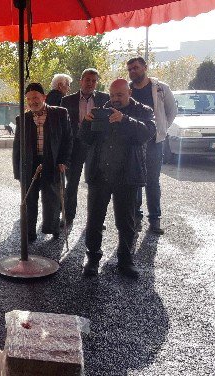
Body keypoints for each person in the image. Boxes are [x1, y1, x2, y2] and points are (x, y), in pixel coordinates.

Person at [79, 78, 156, 279]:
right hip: (100, 174)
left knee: (126, 222)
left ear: (129, 92)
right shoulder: (101, 110)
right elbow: (86, 139)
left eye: (120, 95)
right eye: (112, 95)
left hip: (127, 175)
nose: (115, 99)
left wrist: (124, 119)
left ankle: (125, 260)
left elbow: (146, 134)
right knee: (94, 220)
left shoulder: (143, 111)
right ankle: (92, 259)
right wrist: (86, 124)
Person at [13, 83, 72, 242]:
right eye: (29, 99)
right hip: (29, 163)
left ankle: (52, 229)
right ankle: (29, 232)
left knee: (51, 197)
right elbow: (17, 146)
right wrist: (17, 171)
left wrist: (64, 161)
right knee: (29, 199)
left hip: (52, 161)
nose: (33, 101)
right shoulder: (22, 118)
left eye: (36, 97)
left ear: (44, 97)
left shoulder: (60, 113)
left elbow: (68, 139)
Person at [127, 56, 177, 235]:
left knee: (152, 182)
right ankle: (136, 218)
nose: (133, 71)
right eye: (130, 69)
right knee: (134, 180)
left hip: (154, 142)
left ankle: (155, 220)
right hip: (133, 143)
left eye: (136, 68)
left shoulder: (160, 88)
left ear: (145, 67)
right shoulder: (128, 89)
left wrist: (161, 129)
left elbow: (172, 111)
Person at [60, 68, 109, 228]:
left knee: (95, 184)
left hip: (96, 148)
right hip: (75, 147)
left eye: (94, 81)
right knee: (72, 183)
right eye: (87, 80)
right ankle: (68, 216)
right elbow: (64, 127)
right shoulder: (67, 101)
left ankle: (95, 219)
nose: (90, 83)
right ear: (81, 81)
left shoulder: (104, 99)